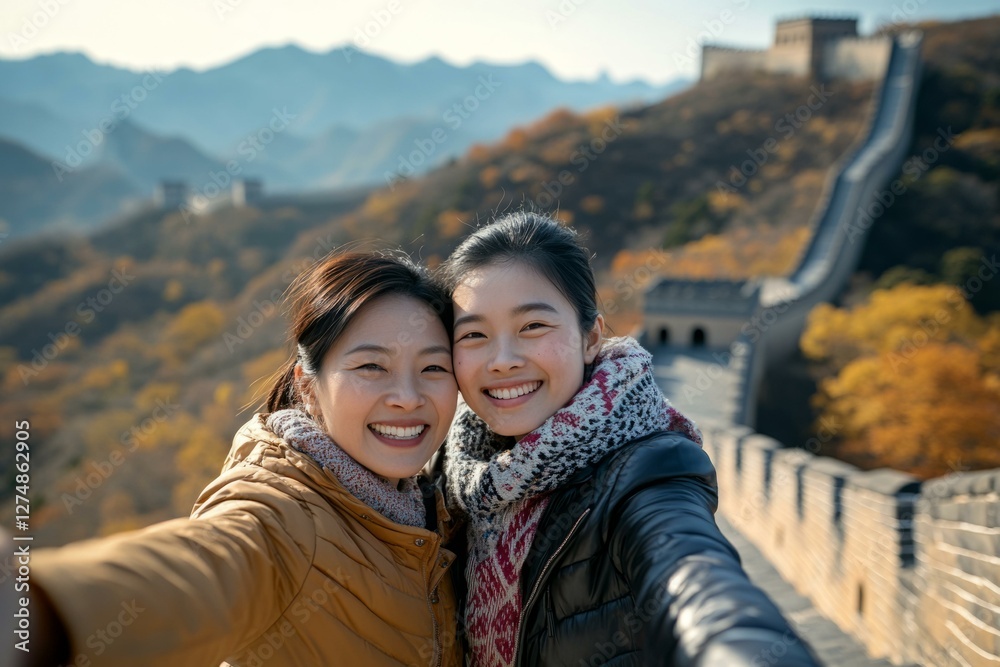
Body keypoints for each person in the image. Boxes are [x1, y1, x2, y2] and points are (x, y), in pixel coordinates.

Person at [4, 251, 463, 667]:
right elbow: (208, 565)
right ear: (307, 385)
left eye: (433, 368)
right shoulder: (284, 515)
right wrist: (38, 605)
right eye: (371, 367)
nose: (407, 397)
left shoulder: (434, 508)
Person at [437, 211, 820, 666]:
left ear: (590, 337)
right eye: (474, 334)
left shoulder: (649, 471)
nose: (501, 361)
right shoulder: (450, 468)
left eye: (533, 326)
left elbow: (695, 575)